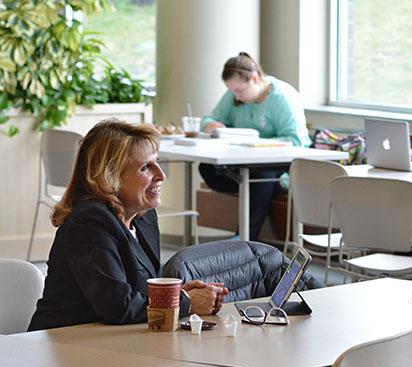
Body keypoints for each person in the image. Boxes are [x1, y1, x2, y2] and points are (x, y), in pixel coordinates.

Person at [29, 120, 229, 331]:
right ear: (109, 176)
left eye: (157, 162)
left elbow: (140, 290)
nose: (162, 175)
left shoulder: (144, 216)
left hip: (111, 342)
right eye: (146, 167)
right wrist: (185, 302)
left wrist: (175, 294)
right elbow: (117, 306)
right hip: (66, 346)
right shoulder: (89, 223)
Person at [199, 52, 311, 241]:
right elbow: (210, 118)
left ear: (255, 78)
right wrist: (211, 125)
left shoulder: (283, 98)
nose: (237, 97)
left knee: (260, 175)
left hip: (281, 164)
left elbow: (296, 140)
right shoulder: (234, 95)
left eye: (240, 91)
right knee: (207, 168)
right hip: (244, 161)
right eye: (233, 91)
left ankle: (243, 239)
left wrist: (260, 145)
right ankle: (244, 234)